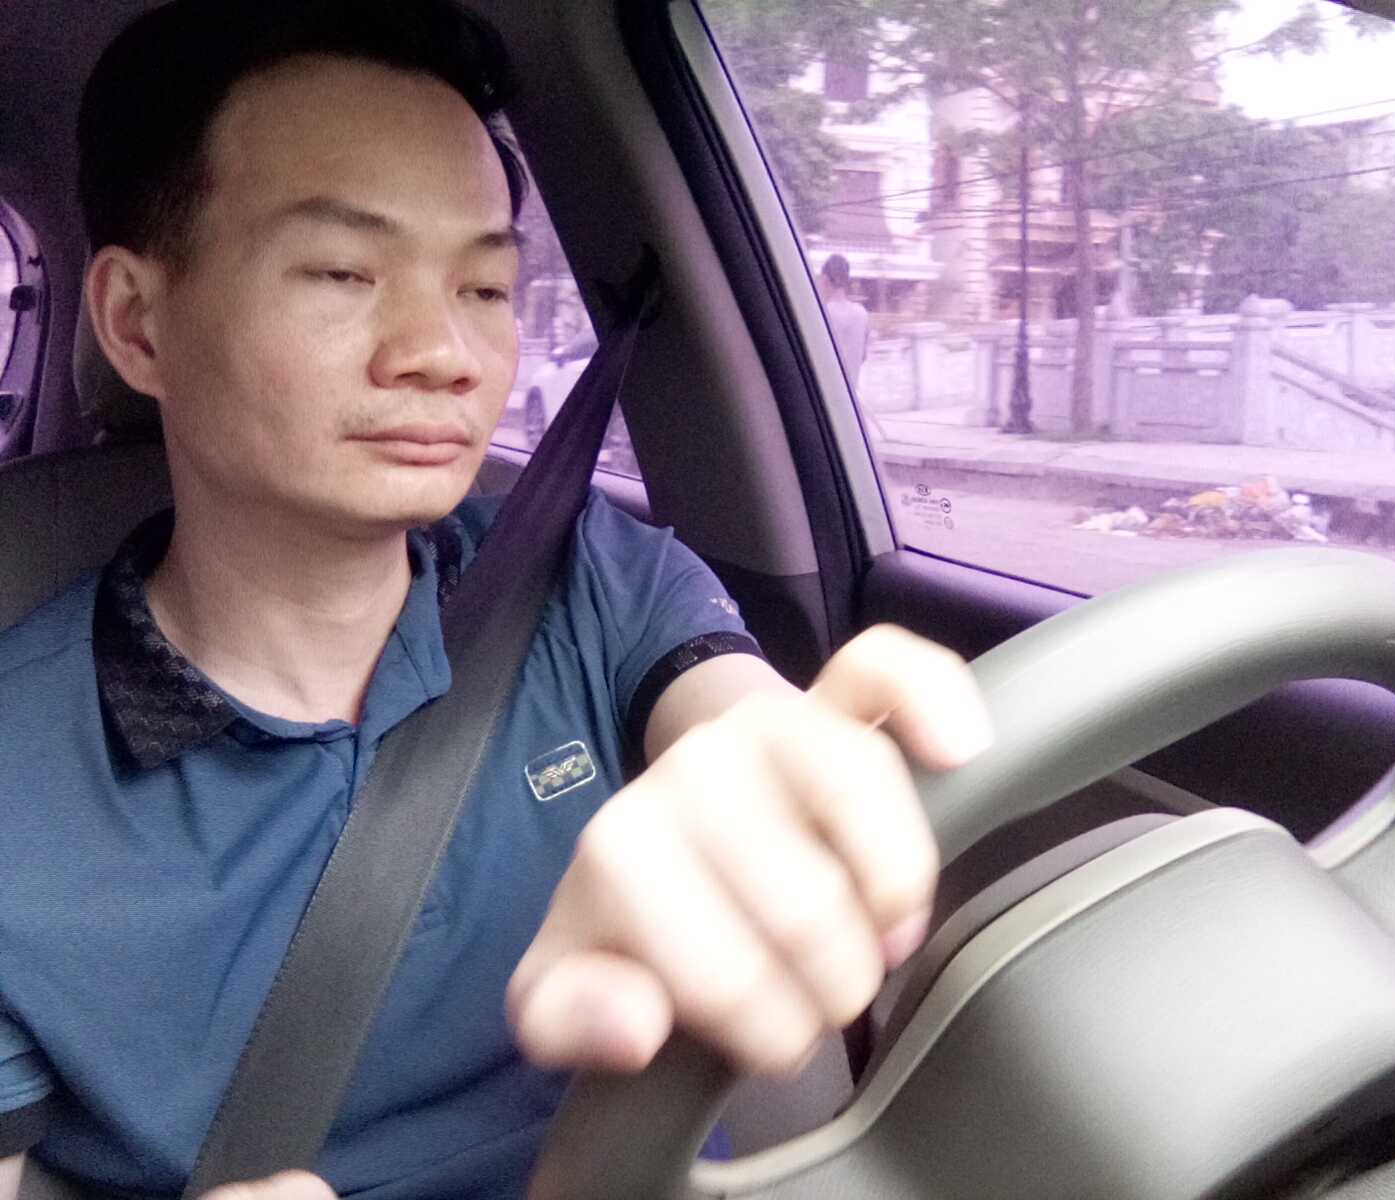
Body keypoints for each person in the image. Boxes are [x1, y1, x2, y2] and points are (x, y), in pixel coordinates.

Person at [0, 3, 989, 1199]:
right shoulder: (18, 776)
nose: (445, 353)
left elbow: (735, 718)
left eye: (484, 287)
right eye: (343, 273)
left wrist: (790, 779)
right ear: (136, 322)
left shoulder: (583, 571)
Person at [817, 253, 870, 393]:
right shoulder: (862, 314)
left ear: (825, 280)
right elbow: (864, 356)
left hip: (824, 395)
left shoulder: (821, 314)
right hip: (849, 397)